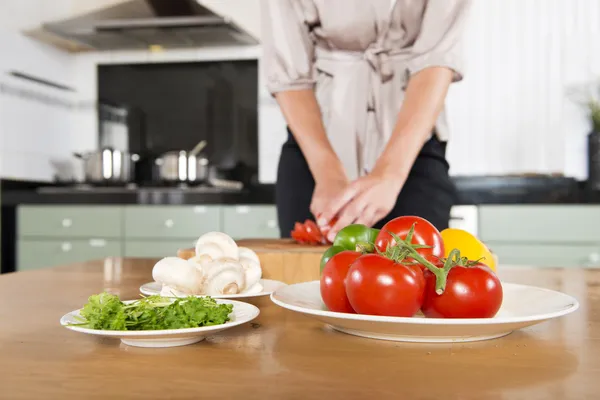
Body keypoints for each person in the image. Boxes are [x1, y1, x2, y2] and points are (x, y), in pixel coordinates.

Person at [261, 0, 472, 242]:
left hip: (413, 145)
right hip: (316, 144)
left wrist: (391, 173)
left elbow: (438, 58)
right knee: (304, 276)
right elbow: (289, 74)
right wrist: (328, 174)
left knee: (421, 270)